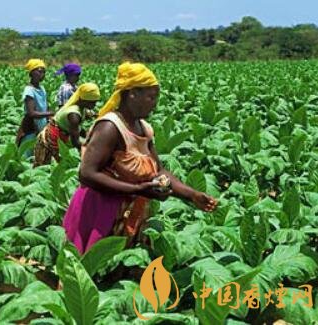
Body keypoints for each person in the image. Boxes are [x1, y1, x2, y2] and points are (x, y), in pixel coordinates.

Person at [62, 62, 218, 254]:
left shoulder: (143, 128)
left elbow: (158, 171)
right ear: (132, 94)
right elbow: (87, 174)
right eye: (151, 97)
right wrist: (137, 189)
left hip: (130, 215)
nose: (155, 103)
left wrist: (191, 195)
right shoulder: (110, 127)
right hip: (98, 215)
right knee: (93, 273)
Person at [33, 83, 100, 166]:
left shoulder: (81, 108)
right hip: (50, 140)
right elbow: (75, 142)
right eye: (92, 102)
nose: (94, 105)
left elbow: (80, 129)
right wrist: (92, 150)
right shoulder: (73, 115)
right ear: (84, 100)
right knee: (47, 167)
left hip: (61, 137)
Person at [16, 59, 54, 156]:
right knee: (26, 156)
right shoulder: (29, 90)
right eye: (40, 71)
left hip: (41, 127)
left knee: (38, 155)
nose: (42, 74)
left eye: (44, 72)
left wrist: (50, 118)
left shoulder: (42, 88)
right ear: (32, 73)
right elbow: (31, 113)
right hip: (31, 128)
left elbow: (45, 105)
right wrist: (50, 113)